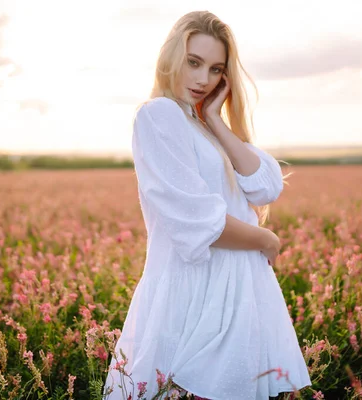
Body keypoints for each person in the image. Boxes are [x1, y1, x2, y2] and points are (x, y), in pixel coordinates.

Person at [103, 10, 311, 400]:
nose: (203, 79)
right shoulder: (160, 114)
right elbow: (197, 220)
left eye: (216, 70)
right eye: (193, 63)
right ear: (171, 58)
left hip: (232, 290)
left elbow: (265, 186)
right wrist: (265, 238)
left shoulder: (200, 122)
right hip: (199, 291)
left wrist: (215, 119)